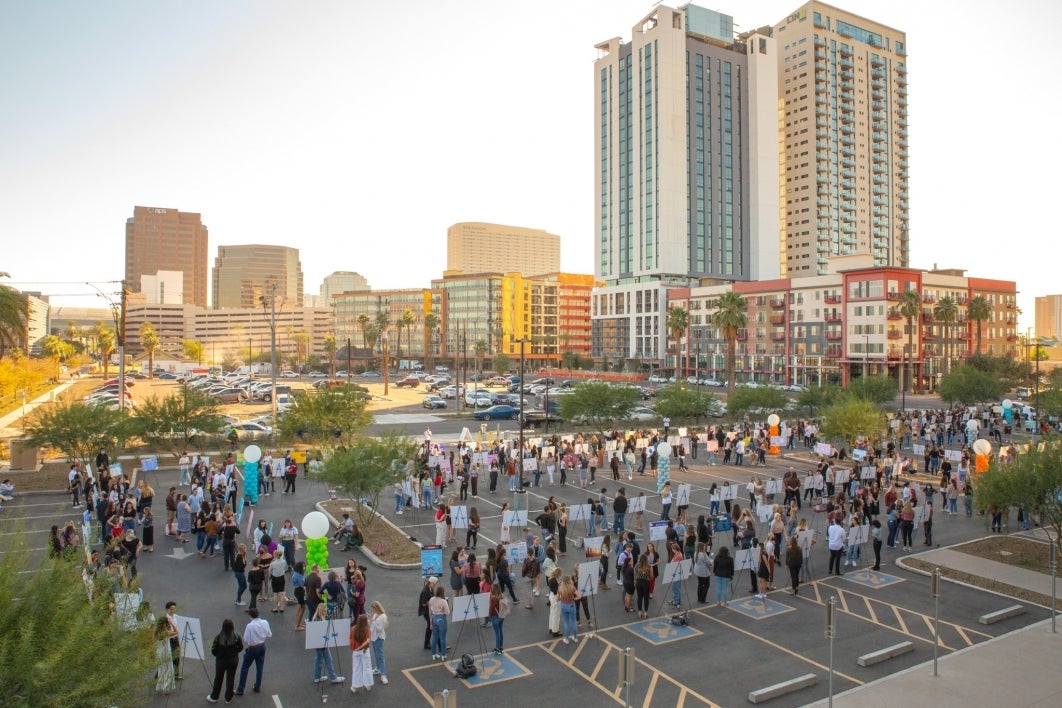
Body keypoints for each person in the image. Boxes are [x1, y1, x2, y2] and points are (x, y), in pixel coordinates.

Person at [235, 607, 272, 696]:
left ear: (250, 615)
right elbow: (269, 634)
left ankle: (241, 689)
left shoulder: (250, 626)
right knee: (260, 667)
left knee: (245, 667)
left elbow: (246, 639)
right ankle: (257, 686)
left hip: (253, 648)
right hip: (262, 646)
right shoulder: (265, 622)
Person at [207, 618, 244, 703]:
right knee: (230, 678)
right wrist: (234, 652)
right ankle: (228, 698)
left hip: (221, 661)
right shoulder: (236, 636)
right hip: (233, 660)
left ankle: (214, 697)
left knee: (218, 679)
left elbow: (213, 650)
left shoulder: (218, 637)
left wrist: (218, 655)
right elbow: (241, 647)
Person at [309, 602, 345, 685]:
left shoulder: (316, 618)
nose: (325, 612)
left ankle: (317, 677)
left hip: (318, 643)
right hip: (322, 644)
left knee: (318, 660)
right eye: (324, 611)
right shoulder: (319, 620)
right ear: (321, 611)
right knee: (328, 659)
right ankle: (333, 677)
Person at [368, 600, 390, 685]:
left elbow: (380, 629)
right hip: (373, 637)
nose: (373, 610)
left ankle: (383, 675)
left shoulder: (383, 616)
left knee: (380, 656)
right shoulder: (376, 614)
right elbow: (372, 626)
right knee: (376, 654)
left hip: (379, 638)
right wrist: (370, 620)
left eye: (374, 609)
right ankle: (377, 668)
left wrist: (372, 621)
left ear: (377, 608)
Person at [155, 616, 176, 695]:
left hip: (159, 652)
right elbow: (176, 631)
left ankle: (160, 686)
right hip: (166, 653)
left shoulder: (156, 632)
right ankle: (165, 688)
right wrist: (171, 623)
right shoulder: (166, 632)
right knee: (169, 670)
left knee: (161, 669)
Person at [428, 585, 449, 661]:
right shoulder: (443, 601)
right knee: (442, 638)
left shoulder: (431, 599)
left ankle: (434, 654)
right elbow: (447, 613)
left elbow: (430, 611)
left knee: (434, 637)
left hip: (434, 618)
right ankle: (443, 655)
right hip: (442, 619)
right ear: (442, 593)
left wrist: (431, 622)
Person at [418, 576, 439, 650]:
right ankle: (428, 643)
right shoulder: (425, 591)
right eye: (435, 583)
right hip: (426, 611)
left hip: (430, 610)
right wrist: (432, 602)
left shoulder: (431, 589)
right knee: (431, 626)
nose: (435, 585)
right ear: (431, 582)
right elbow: (423, 603)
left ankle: (427, 643)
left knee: (430, 627)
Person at [558, 574, 579, 644]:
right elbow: (579, 596)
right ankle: (575, 638)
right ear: (568, 580)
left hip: (564, 606)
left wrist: (562, 598)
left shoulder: (560, 588)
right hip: (571, 606)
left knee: (566, 623)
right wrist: (574, 598)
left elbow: (557, 599)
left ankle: (566, 639)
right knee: (573, 622)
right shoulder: (572, 587)